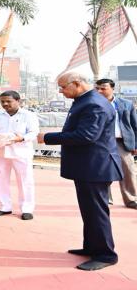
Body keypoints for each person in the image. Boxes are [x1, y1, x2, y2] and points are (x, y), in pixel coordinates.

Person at [38, 72, 122, 271]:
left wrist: (48, 137)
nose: (60, 91)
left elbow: (86, 136)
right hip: (88, 166)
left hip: (96, 167)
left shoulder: (94, 103)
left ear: (76, 84)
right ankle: (92, 246)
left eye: (62, 87)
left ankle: (106, 254)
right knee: (89, 210)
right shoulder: (84, 100)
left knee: (97, 212)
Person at [0, 90, 39, 220]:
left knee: (25, 181)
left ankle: (27, 209)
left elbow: (33, 132)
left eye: (8, 101)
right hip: (1, 152)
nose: (5, 104)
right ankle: (5, 207)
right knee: (0, 180)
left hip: (21, 152)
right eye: (2, 101)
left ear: (18, 101)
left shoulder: (28, 115)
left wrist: (21, 138)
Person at [94, 79, 137, 209]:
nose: (100, 91)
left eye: (103, 88)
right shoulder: (94, 105)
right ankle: (106, 200)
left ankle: (131, 200)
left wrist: (135, 145)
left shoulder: (126, 104)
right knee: (103, 171)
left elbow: (134, 126)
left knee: (128, 171)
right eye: (98, 88)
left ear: (112, 88)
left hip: (122, 143)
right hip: (101, 143)